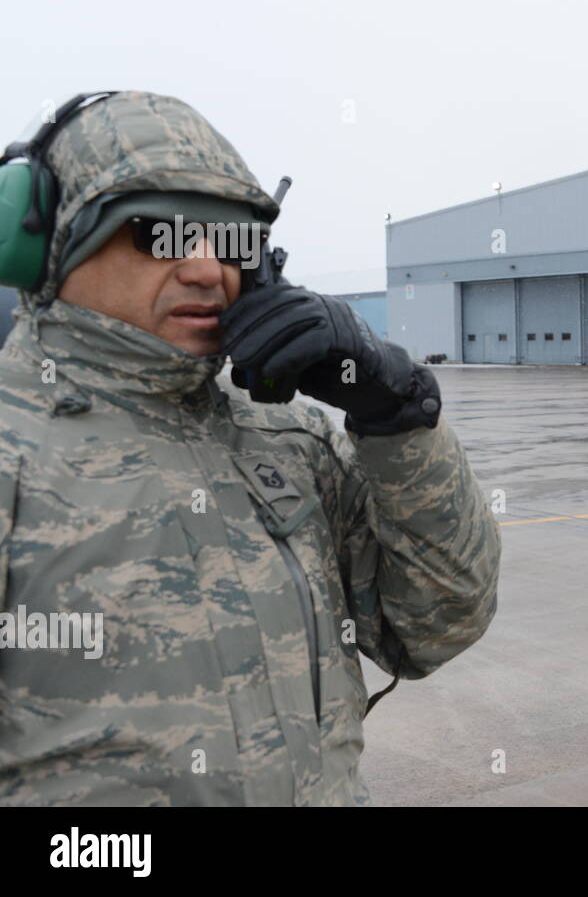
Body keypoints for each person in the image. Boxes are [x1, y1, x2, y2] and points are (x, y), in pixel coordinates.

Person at [0, 91, 500, 805]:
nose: (207, 267)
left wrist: (396, 413)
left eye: (231, 239)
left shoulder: (289, 439)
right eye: (159, 235)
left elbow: (435, 625)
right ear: (45, 240)